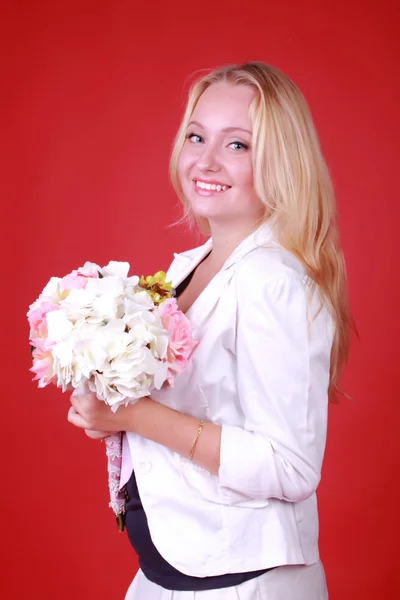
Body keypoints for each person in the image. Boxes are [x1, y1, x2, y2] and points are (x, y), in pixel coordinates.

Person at [68, 61, 352, 599]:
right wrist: (110, 403)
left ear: (281, 161)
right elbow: (199, 405)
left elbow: (290, 467)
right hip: (171, 570)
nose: (205, 160)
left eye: (238, 145)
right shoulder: (189, 267)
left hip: (241, 585)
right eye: (196, 136)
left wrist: (139, 415)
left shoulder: (274, 281)